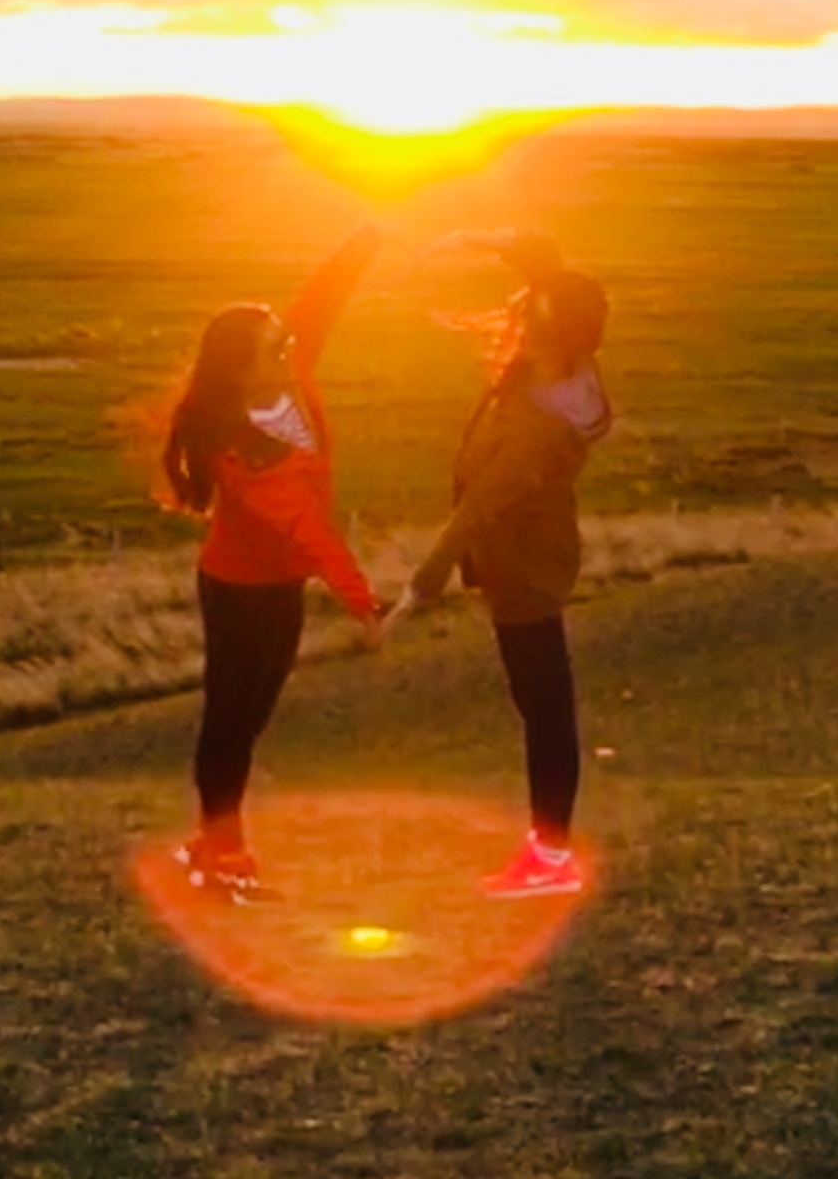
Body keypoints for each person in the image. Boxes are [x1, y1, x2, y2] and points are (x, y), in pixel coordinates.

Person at [161, 222, 386, 901]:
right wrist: (360, 598)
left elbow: (318, 304)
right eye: (272, 348)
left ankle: (210, 839)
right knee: (230, 716)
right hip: (236, 589)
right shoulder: (237, 439)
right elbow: (301, 526)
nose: (287, 349)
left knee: (251, 716)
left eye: (285, 344)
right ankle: (224, 855)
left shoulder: (292, 375)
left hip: (280, 585)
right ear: (241, 368)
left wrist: (370, 232)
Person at [407, 231, 613, 898]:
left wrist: (428, 577)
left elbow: (479, 509)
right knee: (545, 706)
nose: (518, 325)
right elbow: (562, 289)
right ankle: (549, 850)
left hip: (522, 567)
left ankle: (549, 856)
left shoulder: (534, 427)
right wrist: (518, 254)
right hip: (537, 558)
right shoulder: (573, 378)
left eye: (530, 320)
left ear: (552, 335)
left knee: (544, 708)